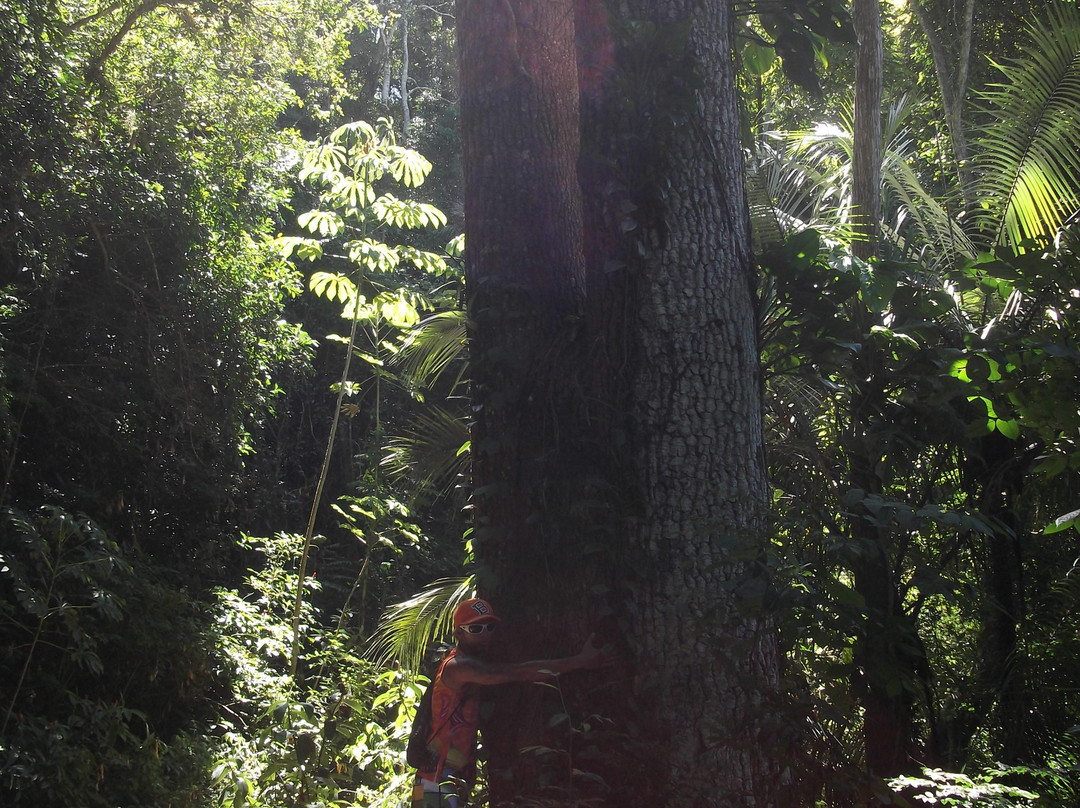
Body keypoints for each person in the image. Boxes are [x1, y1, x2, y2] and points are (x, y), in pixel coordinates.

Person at [412, 597, 609, 808]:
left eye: (490, 627)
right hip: (435, 781)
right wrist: (579, 661)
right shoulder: (458, 666)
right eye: (476, 628)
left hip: (451, 780)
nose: (485, 633)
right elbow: (515, 672)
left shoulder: (469, 663)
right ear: (459, 632)